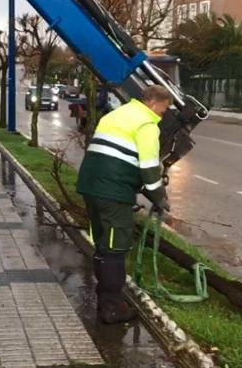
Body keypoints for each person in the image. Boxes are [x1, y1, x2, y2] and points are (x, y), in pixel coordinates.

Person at [76, 85, 172, 324]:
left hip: (91, 186)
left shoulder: (117, 113)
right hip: (113, 193)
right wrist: (160, 200)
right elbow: (149, 169)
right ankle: (111, 308)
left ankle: (106, 298)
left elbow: (118, 155)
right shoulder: (147, 124)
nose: (165, 113)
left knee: (102, 244)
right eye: (164, 108)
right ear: (153, 103)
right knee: (115, 248)